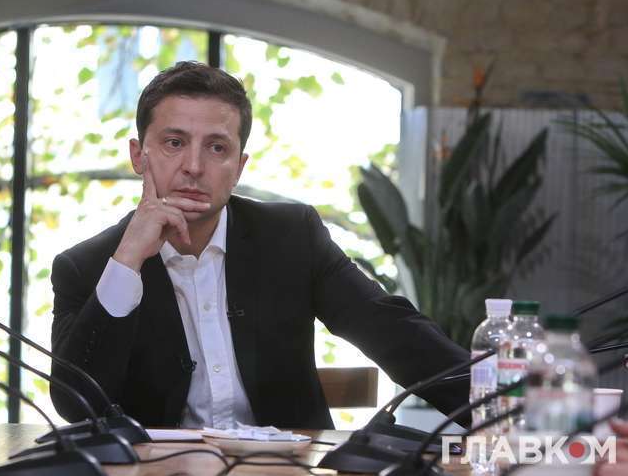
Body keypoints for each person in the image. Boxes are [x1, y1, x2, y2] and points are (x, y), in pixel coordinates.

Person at [50, 61, 470, 429]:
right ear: (139, 156)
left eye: (217, 147)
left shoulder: (292, 236)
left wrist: (498, 409)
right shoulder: (87, 266)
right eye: (174, 143)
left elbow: (394, 333)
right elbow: (75, 405)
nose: (193, 166)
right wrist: (127, 262)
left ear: (239, 167)